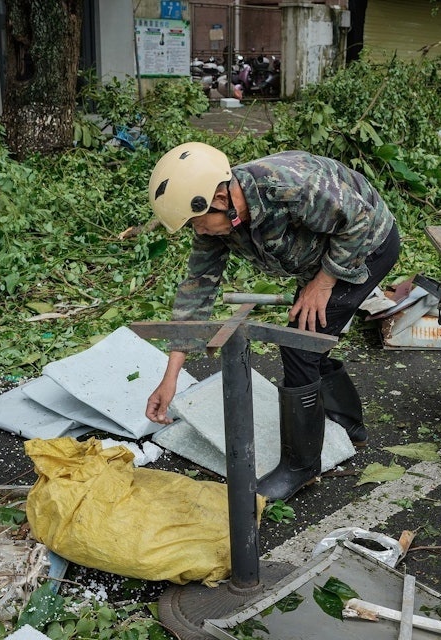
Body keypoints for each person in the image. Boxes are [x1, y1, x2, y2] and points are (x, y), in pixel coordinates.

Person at [144, 142, 400, 501]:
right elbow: (196, 290)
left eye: (199, 223)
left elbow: (356, 220)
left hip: (366, 245)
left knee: (300, 343)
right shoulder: (219, 222)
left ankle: (300, 466)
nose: (200, 232)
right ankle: (349, 424)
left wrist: (324, 283)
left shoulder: (289, 188)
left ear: (219, 200)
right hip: (322, 258)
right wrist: (170, 378)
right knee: (312, 337)